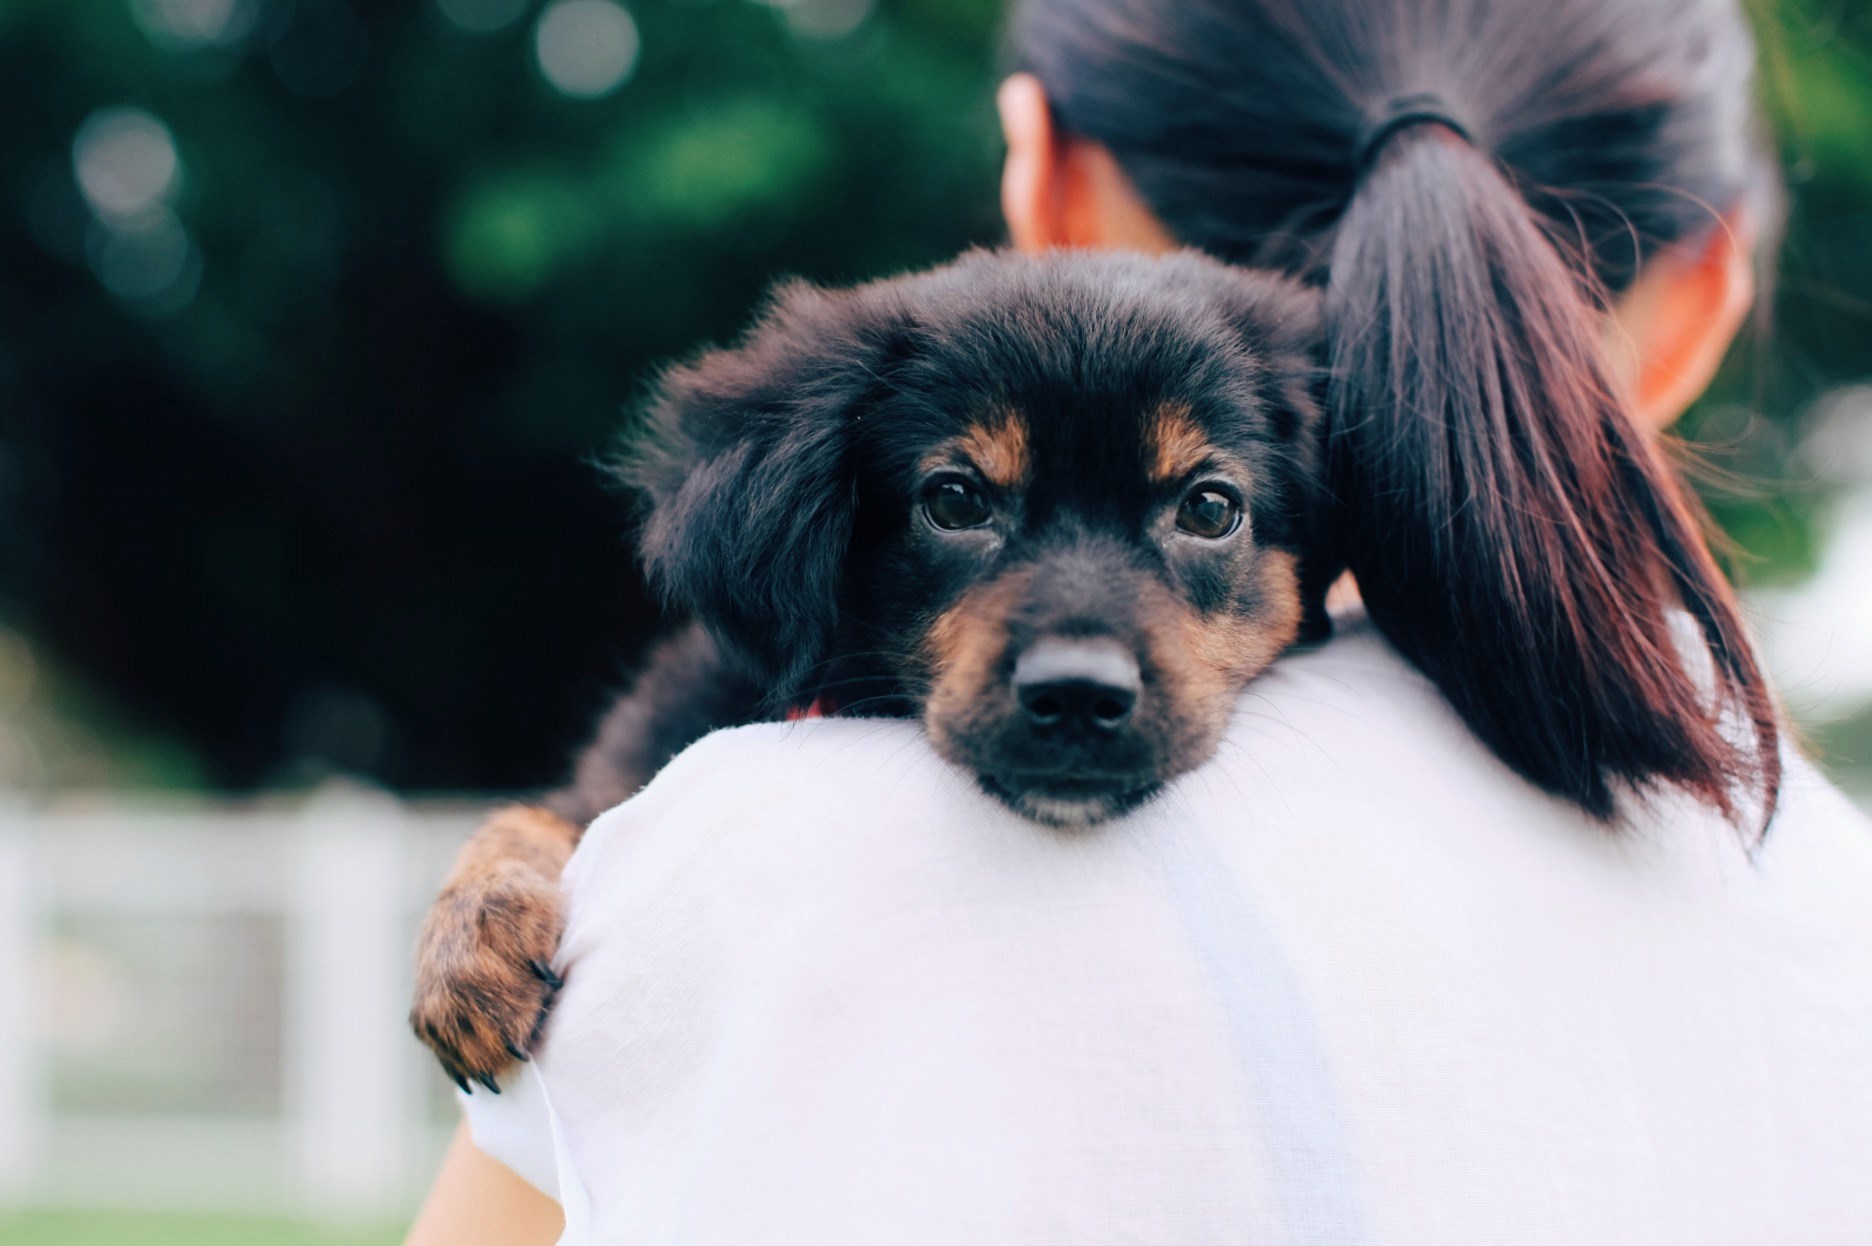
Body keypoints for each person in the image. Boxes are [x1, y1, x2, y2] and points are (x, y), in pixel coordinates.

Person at [406, 0, 1872, 1241]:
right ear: (1705, 293)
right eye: (963, 503)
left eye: (1207, 511)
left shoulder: (740, 866)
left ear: (1042, 167)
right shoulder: (1820, 894)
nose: (1083, 647)